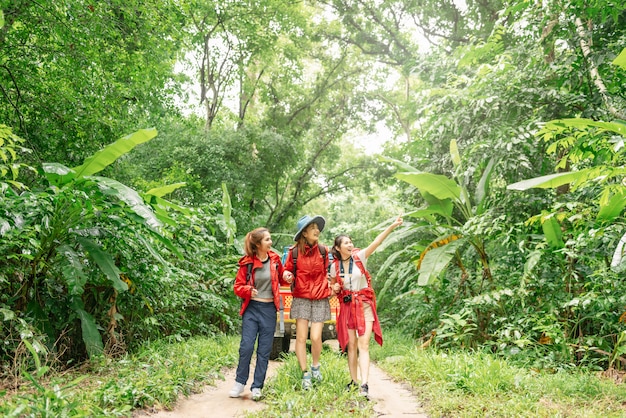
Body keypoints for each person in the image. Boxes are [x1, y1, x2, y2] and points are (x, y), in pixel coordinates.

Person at [330, 216, 403, 399]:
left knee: (363, 344)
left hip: (364, 306)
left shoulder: (360, 257)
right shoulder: (334, 266)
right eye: (345, 242)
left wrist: (392, 226)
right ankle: (353, 381)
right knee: (351, 345)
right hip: (347, 307)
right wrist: (335, 288)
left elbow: (377, 242)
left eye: (350, 241)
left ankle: (364, 384)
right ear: (338, 248)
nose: (350, 244)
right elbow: (332, 287)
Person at [229, 227, 291, 401]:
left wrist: (286, 275)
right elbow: (237, 287)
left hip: (269, 310)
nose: (271, 243)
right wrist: (249, 290)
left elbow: (281, 275)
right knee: (246, 347)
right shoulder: (247, 263)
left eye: (270, 239)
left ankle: (257, 386)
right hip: (252, 310)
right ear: (257, 244)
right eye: (267, 240)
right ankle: (240, 383)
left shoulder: (275, 260)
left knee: (264, 351)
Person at [282, 215, 330, 390]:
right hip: (301, 297)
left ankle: (315, 366)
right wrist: (287, 275)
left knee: (316, 337)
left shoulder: (324, 251)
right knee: (301, 338)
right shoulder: (294, 253)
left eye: (317, 228)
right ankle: (305, 374)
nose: (317, 231)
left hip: (320, 298)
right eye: (313, 228)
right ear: (304, 233)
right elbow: (287, 270)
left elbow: (330, 271)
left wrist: (333, 285)